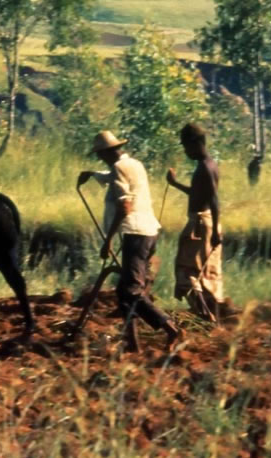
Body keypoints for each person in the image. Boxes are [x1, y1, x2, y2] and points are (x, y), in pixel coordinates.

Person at [78, 131, 182, 349]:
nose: (100, 158)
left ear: (107, 152)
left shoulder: (118, 168)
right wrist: (92, 174)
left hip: (136, 234)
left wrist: (107, 240)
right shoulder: (134, 164)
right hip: (148, 231)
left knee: (131, 291)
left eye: (100, 154)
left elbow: (125, 206)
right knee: (124, 293)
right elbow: (114, 177)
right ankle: (132, 343)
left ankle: (170, 328)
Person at [166, 123, 226, 321]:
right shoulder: (208, 165)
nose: (185, 151)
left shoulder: (206, 168)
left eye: (185, 146)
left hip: (200, 223)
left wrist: (216, 232)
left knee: (186, 271)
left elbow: (215, 200)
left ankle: (204, 315)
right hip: (205, 222)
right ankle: (208, 313)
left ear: (196, 143)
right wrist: (175, 184)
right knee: (203, 272)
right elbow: (198, 194)